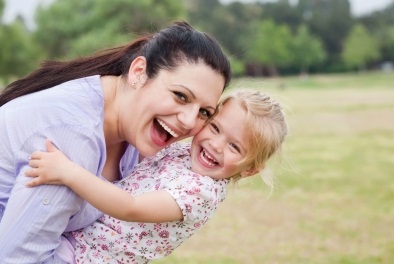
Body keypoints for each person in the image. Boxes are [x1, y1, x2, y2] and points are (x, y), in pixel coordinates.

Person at [0, 21, 231, 262]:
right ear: (139, 72)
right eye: (180, 96)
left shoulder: (133, 131)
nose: (188, 121)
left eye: (204, 112)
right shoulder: (72, 139)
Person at [25, 90, 288, 263]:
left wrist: (69, 172)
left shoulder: (200, 193)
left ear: (251, 168)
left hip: (87, 257)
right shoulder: (186, 153)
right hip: (77, 236)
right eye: (215, 128)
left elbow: (131, 207)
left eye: (234, 147)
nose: (216, 145)